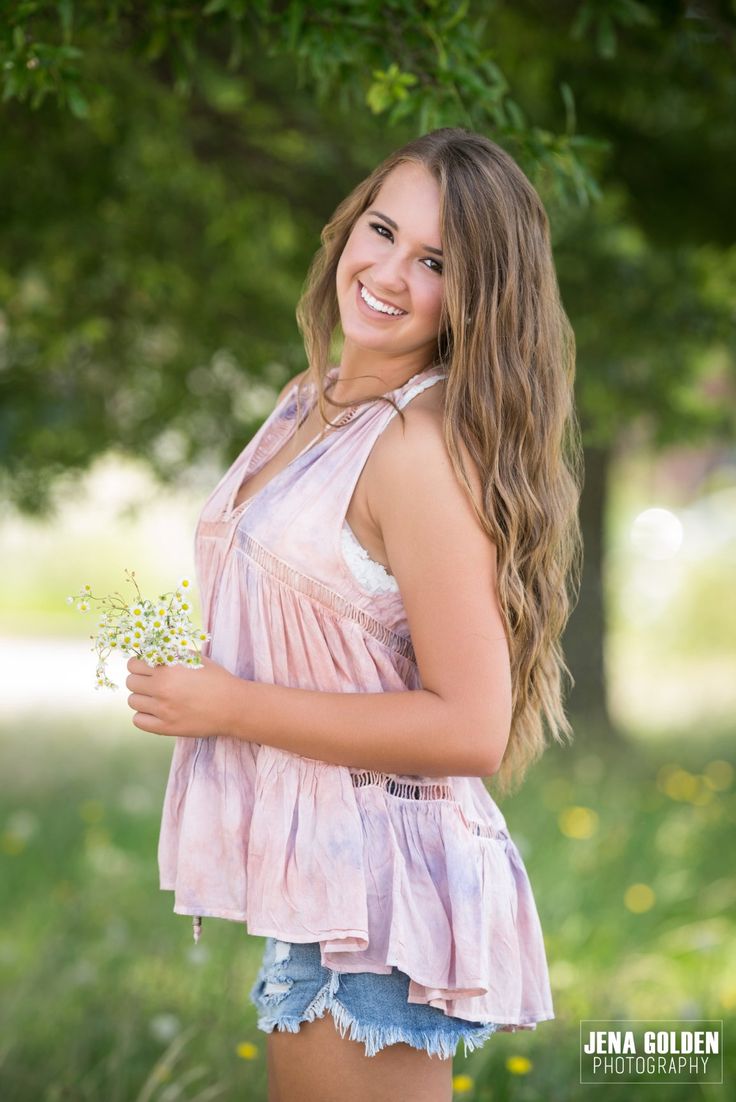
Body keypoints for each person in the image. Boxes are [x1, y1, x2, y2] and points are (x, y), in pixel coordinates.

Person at [125, 127, 583, 1102]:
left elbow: (468, 726)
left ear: (476, 298)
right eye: (380, 229)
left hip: (384, 891)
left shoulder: (418, 446)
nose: (386, 271)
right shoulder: (311, 399)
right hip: (326, 877)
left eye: (435, 263)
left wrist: (226, 704)